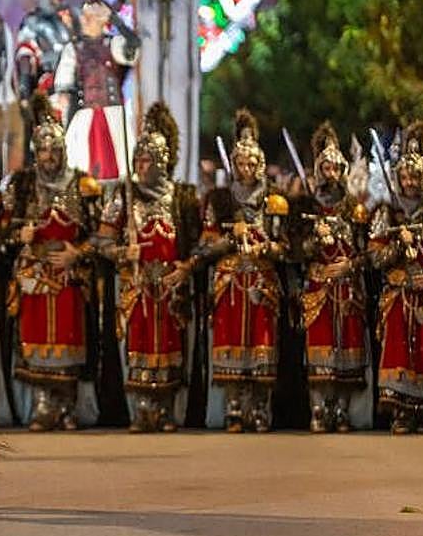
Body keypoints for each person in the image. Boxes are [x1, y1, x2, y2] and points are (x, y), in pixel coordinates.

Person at [95, 103, 199, 432]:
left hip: (171, 286)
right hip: (137, 285)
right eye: (138, 159)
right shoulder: (123, 197)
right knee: (137, 347)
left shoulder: (181, 198)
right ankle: (141, 410)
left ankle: (166, 410)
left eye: (146, 160)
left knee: (171, 347)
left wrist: (186, 267)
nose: (140, 166)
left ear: (161, 162)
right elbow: (100, 242)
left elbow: (198, 241)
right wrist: (124, 252)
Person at [2, 94, 100, 430]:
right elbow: (5, 231)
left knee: (71, 337)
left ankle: (68, 406)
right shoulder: (23, 184)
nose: (49, 156)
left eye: (54, 150)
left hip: (69, 274)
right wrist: (21, 235)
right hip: (34, 274)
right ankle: (44, 405)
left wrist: (77, 253)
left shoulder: (83, 184)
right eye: (43, 150)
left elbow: (100, 235)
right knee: (35, 338)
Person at [198, 111, 289, 432]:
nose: (246, 169)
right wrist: (228, 238)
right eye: (240, 164)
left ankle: (260, 409)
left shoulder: (274, 200)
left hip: (262, 283)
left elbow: (285, 248)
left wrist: (264, 247)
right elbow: (205, 248)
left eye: (251, 164)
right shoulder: (219, 199)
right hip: (230, 283)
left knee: (262, 345)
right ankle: (234, 409)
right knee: (230, 342)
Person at [369, 121, 423, 434]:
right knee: (398, 350)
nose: (408, 182)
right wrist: (396, 247)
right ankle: (400, 411)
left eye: (414, 176)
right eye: (403, 176)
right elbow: (374, 257)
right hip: (398, 294)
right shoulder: (387, 212)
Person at [296, 122, 371, 432]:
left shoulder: (354, 208)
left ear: (342, 170)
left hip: (348, 286)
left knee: (347, 347)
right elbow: (295, 249)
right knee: (320, 347)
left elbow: (368, 252)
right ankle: (319, 408)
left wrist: (349, 266)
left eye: (334, 168)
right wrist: (315, 240)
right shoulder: (308, 204)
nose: (330, 173)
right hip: (318, 286)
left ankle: (341, 409)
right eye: (324, 167)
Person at [53, 0, 139, 181]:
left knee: (120, 168)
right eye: (84, 16)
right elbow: (64, 85)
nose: (83, 20)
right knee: (84, 171)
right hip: (85, 118)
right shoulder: (73, 49)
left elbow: (133, 46)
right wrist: (64, 97)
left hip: (114, 116)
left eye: (89, 16)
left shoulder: (113, 44)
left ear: (101, 20)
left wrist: (115, 19)